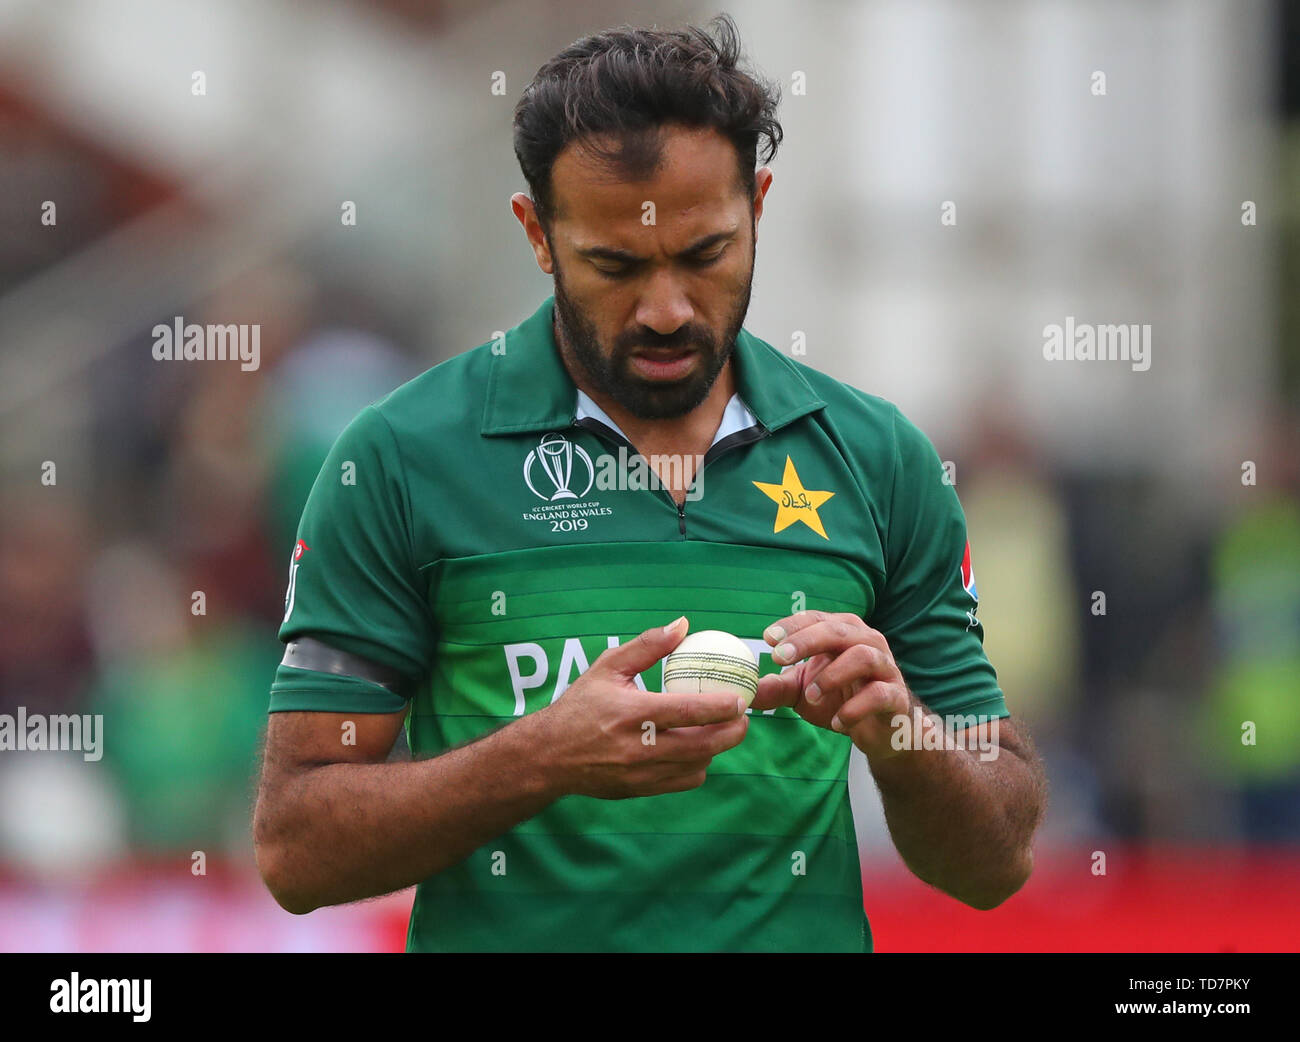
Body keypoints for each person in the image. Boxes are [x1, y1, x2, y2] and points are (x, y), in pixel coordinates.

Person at [252, 15, 1047, 953]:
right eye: (615, 266)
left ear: (758, 204)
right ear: (537, 233)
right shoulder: (397, 457)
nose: (666, 309)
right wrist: (541, 757)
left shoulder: (879, 459)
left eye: (705, 254)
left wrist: (901, 734)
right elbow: (295, 847)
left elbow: (995, 862)